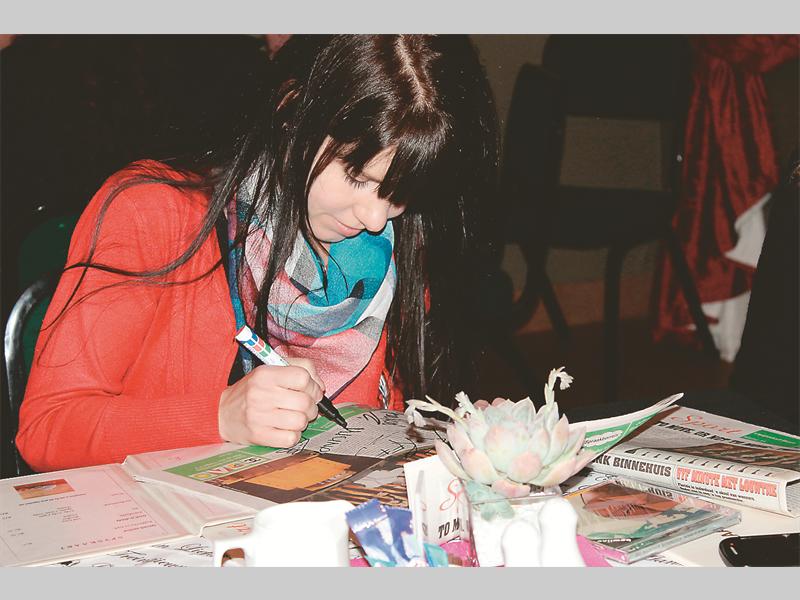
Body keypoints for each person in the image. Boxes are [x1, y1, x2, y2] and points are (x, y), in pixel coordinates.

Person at [16, 35, 500, 472]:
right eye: (357, 177)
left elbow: (385, 432)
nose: (375, 219)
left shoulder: (392, 250)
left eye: (399, 194)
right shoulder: (153, 213)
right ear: (292, 112)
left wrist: (454, 436)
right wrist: (219, 415)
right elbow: (47, 428)